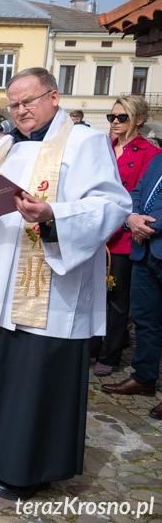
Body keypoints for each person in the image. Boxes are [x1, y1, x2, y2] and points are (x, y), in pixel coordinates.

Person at [0, 67, 131, 501]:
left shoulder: (86, 142)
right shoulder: (4, 146)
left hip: (48, 285)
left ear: (54, 96)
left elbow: (112, 205)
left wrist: (52, 216)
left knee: (31, 376)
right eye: (14, 104)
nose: (21, 110)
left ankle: (28, 467)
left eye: (29, 101)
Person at [90, 96, 160, 376]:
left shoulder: (148, 153)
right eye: (112, 117)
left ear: (139, 121)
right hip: (96, 232)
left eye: (122, 117)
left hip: (123, 235)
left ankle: (110, 353)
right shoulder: (104, 148)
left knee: (117, 299)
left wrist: (121, 223)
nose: (115, 122)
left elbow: (140, 199)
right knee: (93, 294)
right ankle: (91, 347)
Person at [101, 153, 162, 420]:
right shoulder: (158, 159)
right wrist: (132, 218)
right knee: (145, 320)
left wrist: (152, 225)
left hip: (155, 238)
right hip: (143, 250)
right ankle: (144, 377)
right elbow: (137, 192)